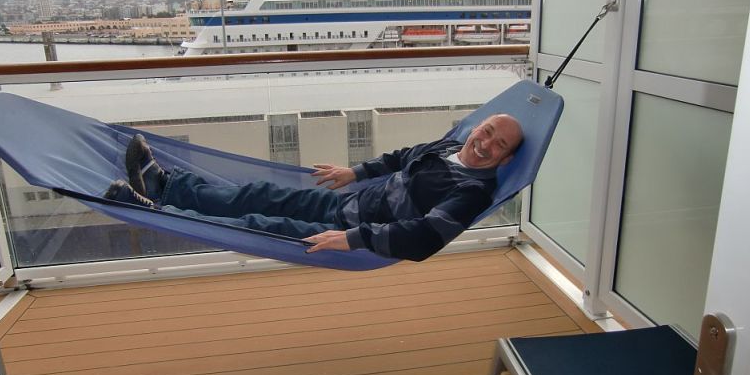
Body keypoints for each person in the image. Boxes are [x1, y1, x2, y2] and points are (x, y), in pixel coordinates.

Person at [104, 114, 523, 261]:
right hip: (345, 204)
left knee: (258, 224)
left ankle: (155, 211)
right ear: (476, 128)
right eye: (486, 131)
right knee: (256, 194)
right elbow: (401, 157)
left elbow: (426, 238)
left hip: (351, 232)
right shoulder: (449, 147)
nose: (485, 143)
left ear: (505, 159)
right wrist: (354, 172)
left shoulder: (471, 192)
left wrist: (353, 239)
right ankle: (165, 186)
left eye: (498, 145)